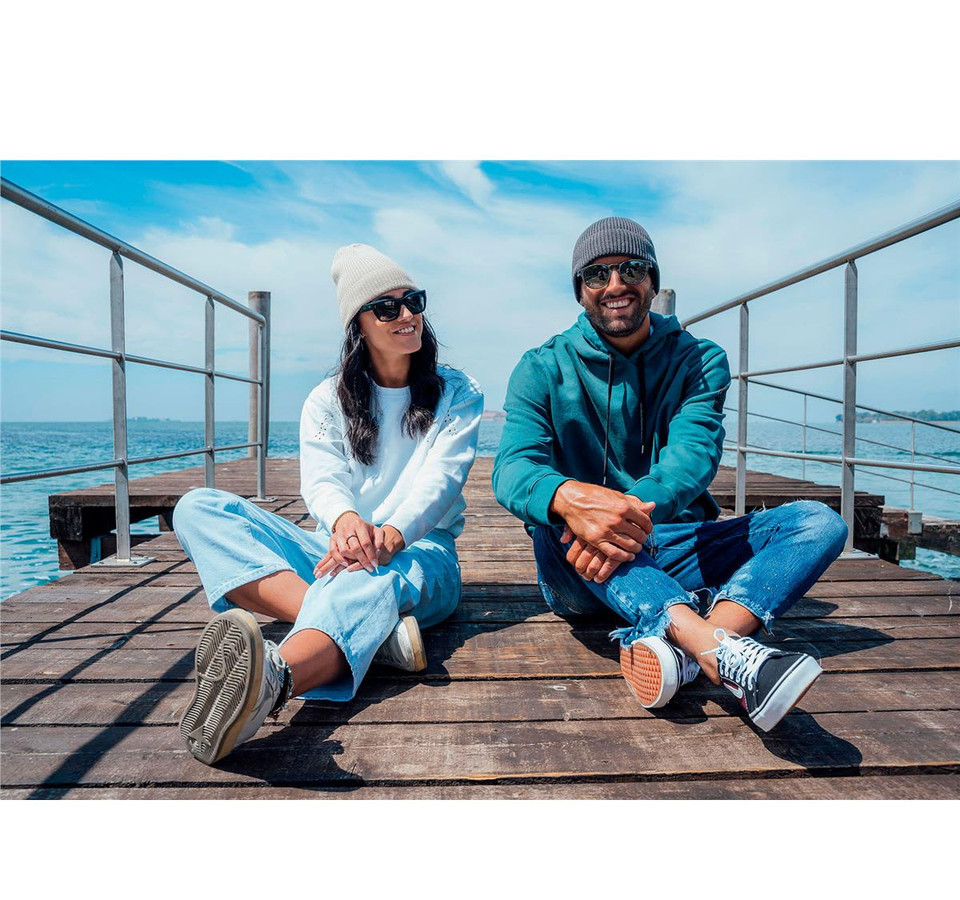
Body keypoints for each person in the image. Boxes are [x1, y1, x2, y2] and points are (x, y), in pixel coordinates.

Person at [492, 217, 848, 732]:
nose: (615, 285)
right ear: (580, 291)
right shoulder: (540, 367)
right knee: (554, 515)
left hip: (671, 539)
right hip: (577, 563)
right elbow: (513, 467)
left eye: (631, 268)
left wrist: (626, 514)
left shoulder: (700, 361)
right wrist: (572, 500)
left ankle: (691, 650)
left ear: (653, 281)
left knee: (818, 523)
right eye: (597, 275)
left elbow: (693, 453)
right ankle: (717, 646)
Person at [173, 243, 484, 764]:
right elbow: (322, 480)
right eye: (386, 307)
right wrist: (345, 523)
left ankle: (274, 679)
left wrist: (390, 535)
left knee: (365, 576)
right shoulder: (327, 399)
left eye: (413, 301)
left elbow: (443, 480)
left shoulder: (458, 391)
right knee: (198, 509)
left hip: (423, 551)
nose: (406, 315)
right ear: (358, 324)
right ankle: (371, 634)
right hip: (334, 547)